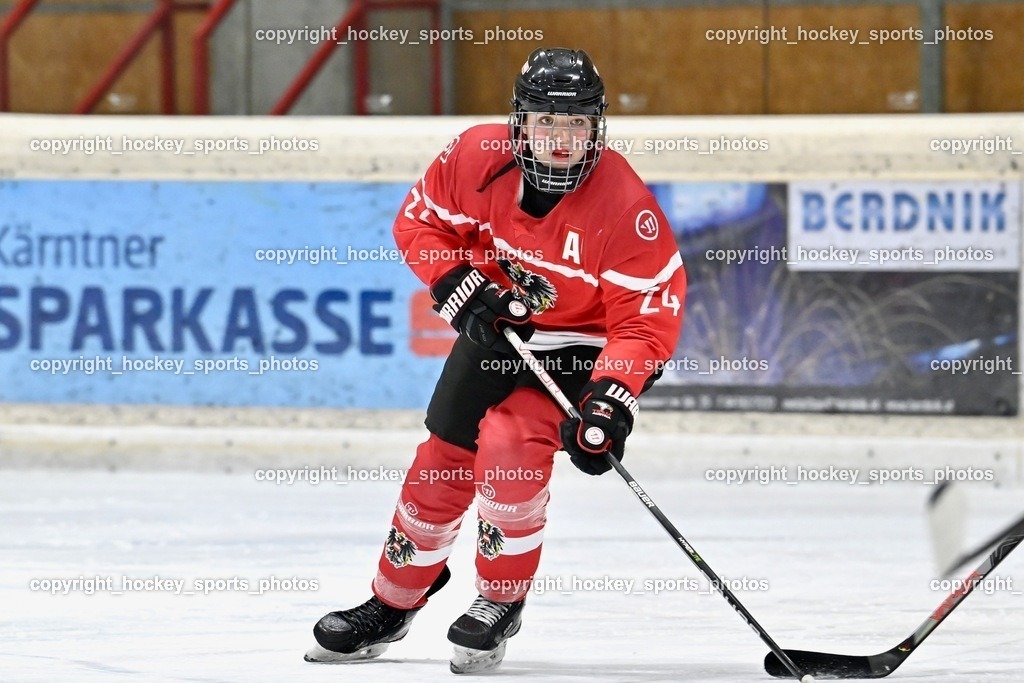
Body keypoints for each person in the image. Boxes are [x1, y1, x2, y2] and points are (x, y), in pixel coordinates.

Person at [306, 47, 686, 673]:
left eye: (576, 125)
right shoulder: (474, 157)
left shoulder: (625, 207)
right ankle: (393, 601)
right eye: (545, 122)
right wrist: (456, 280)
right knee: (441, 459)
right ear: (519, 123)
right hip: (501, 331)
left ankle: (498, 601)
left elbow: (646, 320)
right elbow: (418, 223)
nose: (560, 141)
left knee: (509, 442)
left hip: (580, 347)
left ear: (597, 128)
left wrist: (612, 397)